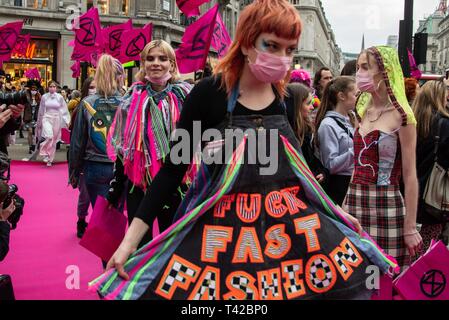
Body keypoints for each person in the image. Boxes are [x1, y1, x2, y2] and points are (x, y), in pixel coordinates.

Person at [91, 0, 396, 301]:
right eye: (272, 46)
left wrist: (335, 210)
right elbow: (173, 170)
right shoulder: (209, 94)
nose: (283, 58)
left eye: (289, 50)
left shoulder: (284, 98)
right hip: (220, 244)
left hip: (280, 243)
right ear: (248, 44)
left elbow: (298, 170)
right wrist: (129, 243)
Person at [106, 40, 193, 247]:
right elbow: (122, 149)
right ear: (142, 64)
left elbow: (198, 141)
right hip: (139, 185)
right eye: (150, 58)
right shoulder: (130, 100)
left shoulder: (187, 97)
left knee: (172, 244)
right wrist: (116, 186)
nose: (156, 63)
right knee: (140, 246)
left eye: (162, 58)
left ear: (172, 64)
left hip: (175, 185)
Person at [344, 46, 423, 270]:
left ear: (384, 71)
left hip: (388, 206)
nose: (359, 72)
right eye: (358, 67)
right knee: (355, 273)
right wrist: (343, 206)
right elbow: (356, 163)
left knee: (388, 276)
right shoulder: (362, 111)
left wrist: (410, 227)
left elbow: (410, 175)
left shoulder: (402, 116)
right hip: (355, 202)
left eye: (365, 67)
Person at [69, 54, 125, 239]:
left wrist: (74, 172)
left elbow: (77, 143)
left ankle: (108, 261)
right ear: (119, 76)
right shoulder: (128, 102)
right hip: (122, 167)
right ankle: (114, 261)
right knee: (116, 217)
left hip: (95, 167)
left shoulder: (87, 103)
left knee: (102, 220)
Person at [413, 80, 449, 253]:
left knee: (411, 245)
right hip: (433, 195)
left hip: (407, 192)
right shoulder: (444, 124)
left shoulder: (410, 122)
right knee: (428, 248)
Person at [315, 76, 357, 206]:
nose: (358, 98)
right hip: (339, 185)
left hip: (353, 180)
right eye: (355, 94)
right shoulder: (328, 125)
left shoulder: (352, 117)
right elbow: (330, 165)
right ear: (341, 96)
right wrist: (356, 150)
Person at [68, 78, 95, 238]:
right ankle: (81, 220)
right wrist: (74, 169)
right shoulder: (80, 108)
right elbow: (76, 141)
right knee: (84, 194)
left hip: (103, 159)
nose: (94, 90)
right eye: (91, 87)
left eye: (96, 87)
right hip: (85, 160)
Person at [286, 82, 328, 186]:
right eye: (308, 103)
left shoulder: (306, 129)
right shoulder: (286, 132)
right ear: (296, 105)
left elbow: (312, 159)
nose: (312, 107)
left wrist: (321, 172)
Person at [36, 81, 70, 166]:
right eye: (50, 86)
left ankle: (49, 159)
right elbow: (41, 109)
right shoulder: (44, 97)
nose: (52, 88)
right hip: (46, 118)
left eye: (54, 87)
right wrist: (39, 121)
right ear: (48, 87)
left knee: (54, 140)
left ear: (56, 88)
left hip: (56, 119)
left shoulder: (59, 97)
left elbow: (64, 110)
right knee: (49, 136)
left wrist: (67, 121)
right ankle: (44, 151)